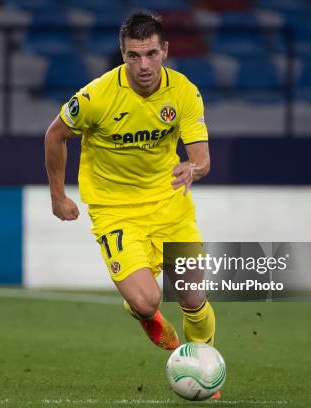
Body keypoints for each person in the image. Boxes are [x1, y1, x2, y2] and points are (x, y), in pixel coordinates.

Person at [44, 12, 217, 396]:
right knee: (146, 300)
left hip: (170, 206)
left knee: (193, 296)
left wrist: (194, 168)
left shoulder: (184, 92)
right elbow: (54, 136)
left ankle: (202, 366)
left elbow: (202, 158)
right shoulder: (95, 97)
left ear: (165, 51)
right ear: (122, 54)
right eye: (134, 56)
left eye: (151, 54)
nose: (144, 65)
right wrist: (58, 195)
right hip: (115, 211)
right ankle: (146, 316)